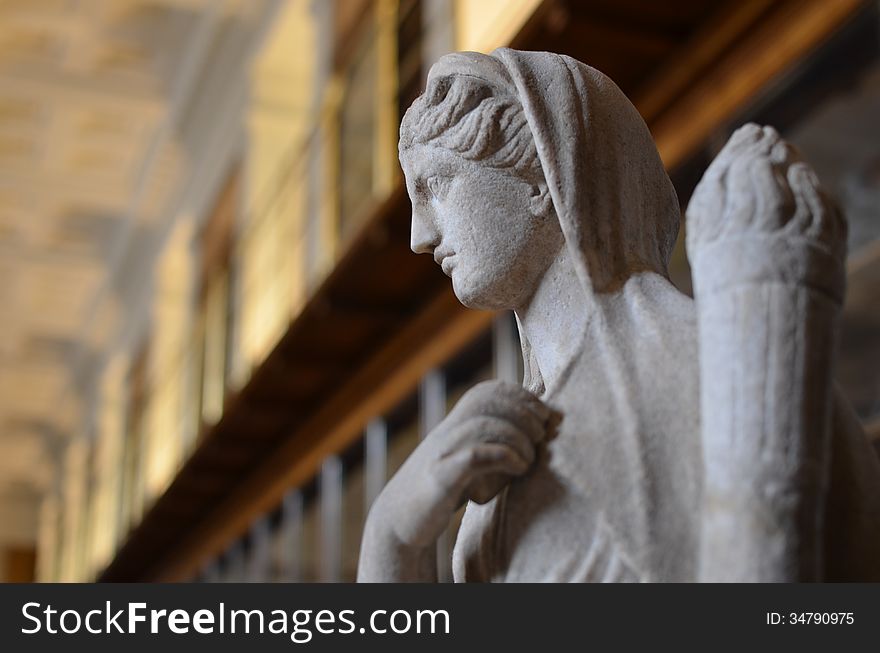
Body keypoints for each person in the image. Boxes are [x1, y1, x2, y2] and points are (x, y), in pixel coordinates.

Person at [357, 48, 880, 582]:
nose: (420, 237)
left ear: (541, 178)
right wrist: (393, 538)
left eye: (437, 185)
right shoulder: (497, 448)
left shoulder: (710, 373)